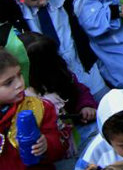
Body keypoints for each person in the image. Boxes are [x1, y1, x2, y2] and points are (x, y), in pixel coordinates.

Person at [2, 0, 107, 99]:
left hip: (80, 66)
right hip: (45, 77)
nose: (43, 1)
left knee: (100, 101)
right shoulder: (12, 7)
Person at [20, 33, 98, 164]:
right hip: (54, 155)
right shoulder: (25, 96)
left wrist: (86, 106)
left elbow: (79, 90)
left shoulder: (61, 76)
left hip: (76, 138)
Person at [0, 49, 68, 170]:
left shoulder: (38, 107)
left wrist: (47, 144)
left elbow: (61, 143)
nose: (20, 84)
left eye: (19, 74)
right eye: (9, 82)